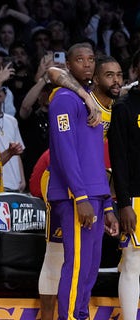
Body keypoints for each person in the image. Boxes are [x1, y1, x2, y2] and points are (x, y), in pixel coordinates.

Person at [37, 56, 123, 320]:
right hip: (75, 192)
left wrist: (107, 204)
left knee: (89, 267)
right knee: (74, 265)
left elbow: (97, 158)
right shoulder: (65, 97)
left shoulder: (99, 103)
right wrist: (80, 196)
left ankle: (80, 314)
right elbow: (64, 152)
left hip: (96, 191)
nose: (86, 64)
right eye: (79, 60)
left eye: (90, 60)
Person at [109, 70, 140, 320]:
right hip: (136, 197)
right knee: (132, 264)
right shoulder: (124, 107)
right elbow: (118, 160)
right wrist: (124, 203)